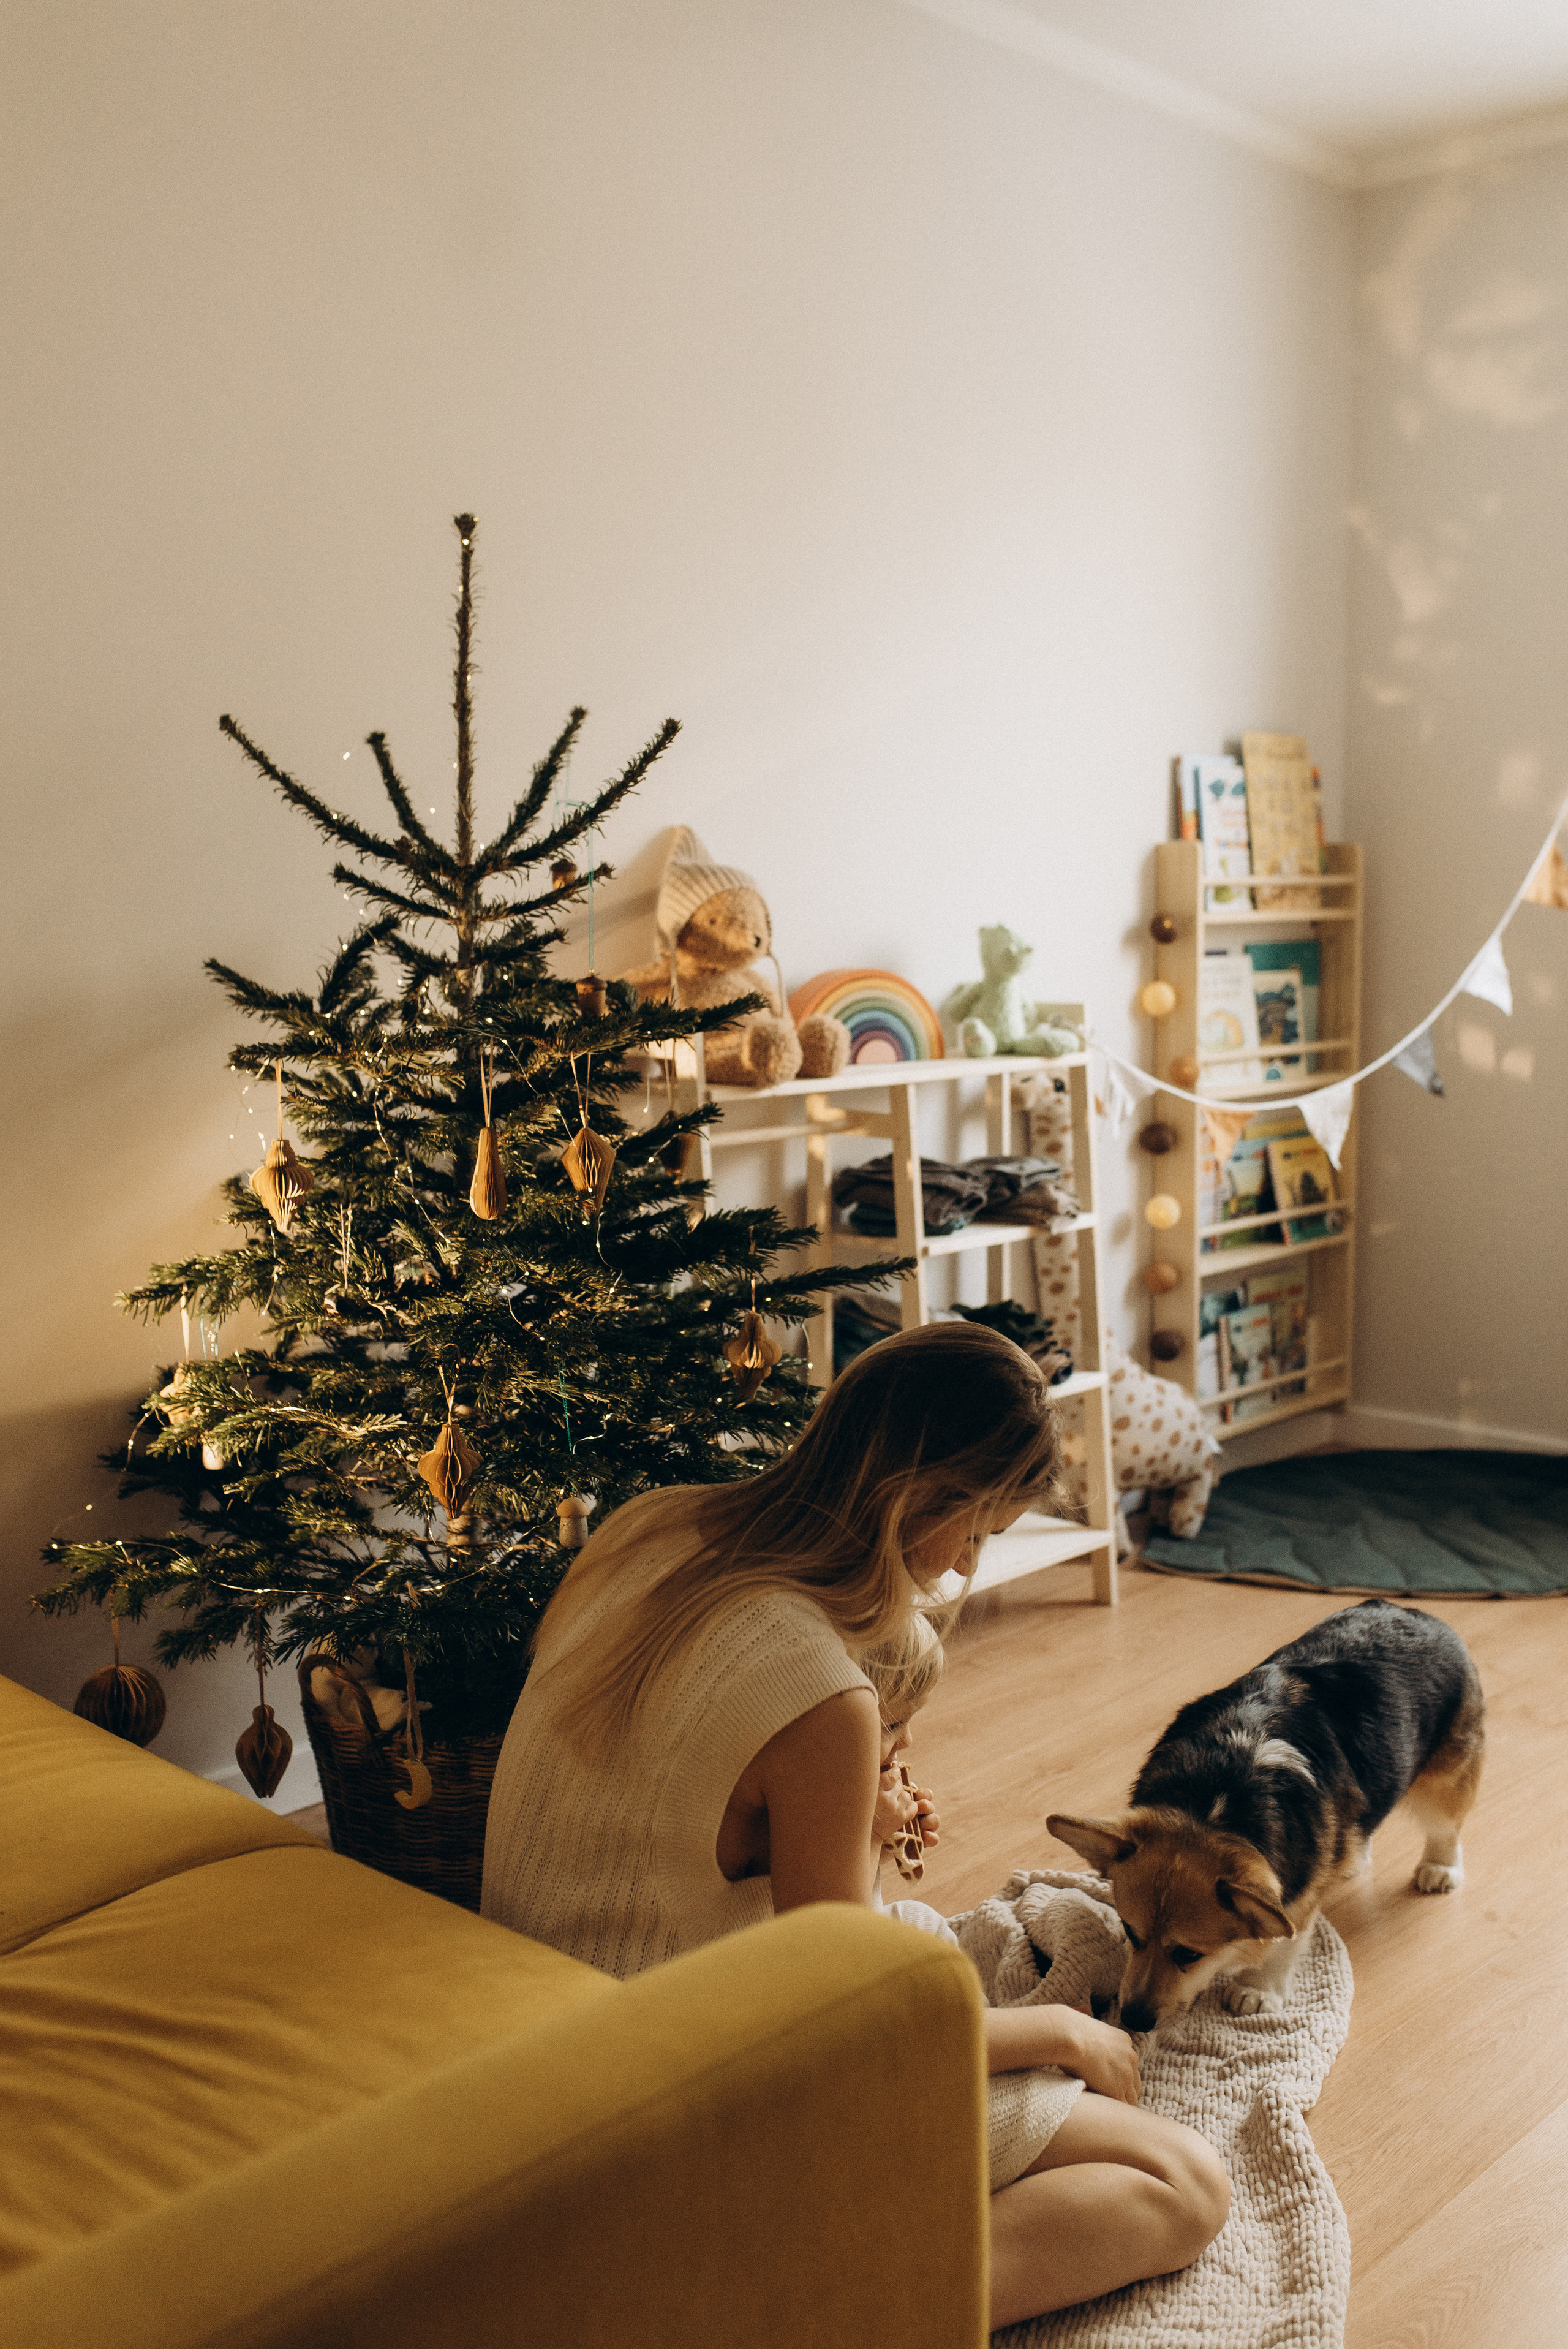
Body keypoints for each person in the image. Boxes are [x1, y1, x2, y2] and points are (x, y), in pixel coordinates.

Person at [481, 1322, 1229, 2326]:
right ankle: (829, 2307)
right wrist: (1057, 2031)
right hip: (662, 2088)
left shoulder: (648, 1525)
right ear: (924, 1497)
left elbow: (657, 1808)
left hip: (524, 2018)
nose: (963, 1569)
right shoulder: (822, 1695)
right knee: (1185, 2181)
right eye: (976, 1532)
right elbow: (837, 2022)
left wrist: (840, 1816)